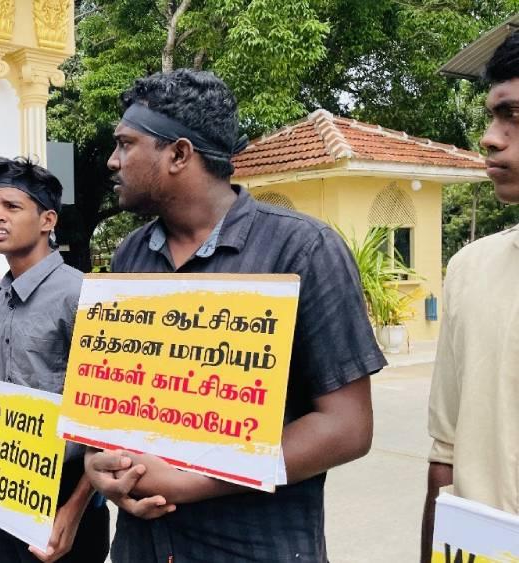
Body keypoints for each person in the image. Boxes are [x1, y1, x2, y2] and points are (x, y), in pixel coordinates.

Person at [83, 69, 384, 562]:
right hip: (143, 546)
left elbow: (347, 427)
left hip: (255, 547)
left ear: (179, 154)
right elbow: (114, 403)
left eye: (125, 144)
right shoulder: (130, 255)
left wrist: (190, 483)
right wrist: (103, 467)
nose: (113, 161)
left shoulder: (303, 250)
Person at [0, 157, 110, 563]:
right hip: (7, 482)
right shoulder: (0, 297)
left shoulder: (80, 295)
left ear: (47, 220)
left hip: (66, 491)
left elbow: (105, 417)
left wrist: (73, 509)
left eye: (12, 207)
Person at [422, 30, 519, 561]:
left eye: (515, 117)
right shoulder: (469, 269)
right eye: (492, 116)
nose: (490, 138)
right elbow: (445, 458)